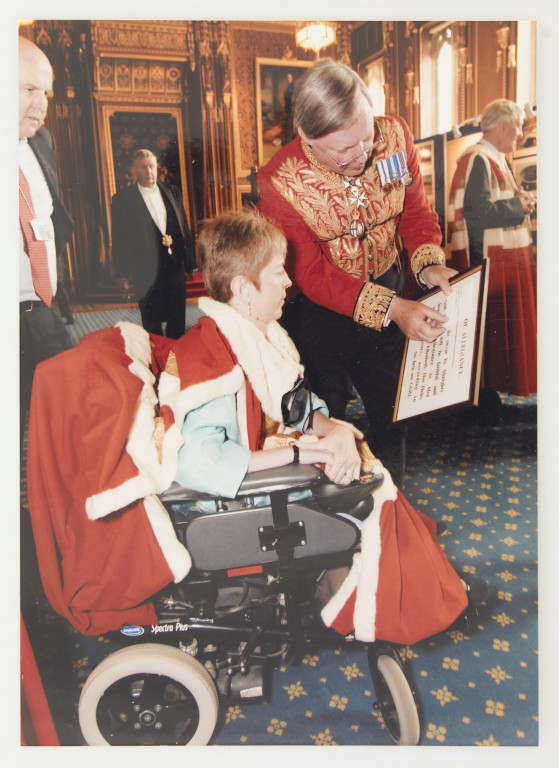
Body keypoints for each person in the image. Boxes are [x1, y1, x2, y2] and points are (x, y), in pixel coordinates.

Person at [166, 210, 484, 645]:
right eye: (277, 273)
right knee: (373, 487)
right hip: (228, 499)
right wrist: (301, 453)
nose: (288, 283)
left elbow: (293, 405)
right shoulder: (214, 362)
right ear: (244, 289)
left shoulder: (247, 332)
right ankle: (383, 607)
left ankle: (365, 588)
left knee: (361, 454)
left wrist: (331, 428)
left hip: (255, 473)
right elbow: (198, 463)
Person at [257, 59, 457, 482]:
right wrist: (395, 309)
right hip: (320, 317)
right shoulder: (279, 182)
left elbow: (415, 212)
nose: (362, 154)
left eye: (365, 138)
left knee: (393, 414)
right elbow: (312, 274)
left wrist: (429, 263)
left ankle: (392, 507)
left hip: (391, 288)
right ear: (307, 137)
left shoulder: (393, 136)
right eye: (344, 149)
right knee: (327, 421)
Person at [447, 99, 537, 399]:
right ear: (503, 126)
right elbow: (478, 214)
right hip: (488, 262)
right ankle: (483, 395)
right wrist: (518, 206)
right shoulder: (478, 158)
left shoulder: (492, 157)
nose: (521, 132)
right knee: (489, 332)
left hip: (500, 260)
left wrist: (518, 203)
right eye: (518, 126)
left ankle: (489, 392)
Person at [19, 36, 74, 435]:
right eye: (28, 89)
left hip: (42, 311)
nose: (41, 103)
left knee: (63, 419)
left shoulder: (41, 140)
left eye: (46, 92)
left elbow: (51, 219)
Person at [111, 149, 197, 338]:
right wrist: (121, 273)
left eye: (152, 166)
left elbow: (183, 225)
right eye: (143, 167)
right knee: (152, 322)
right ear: (134, 170)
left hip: (174, 265)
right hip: (146, 270)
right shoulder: (122, 199)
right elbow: (119, 238)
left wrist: (189, 262)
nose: (149, 171)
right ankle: (158, 360)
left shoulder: (172, 191)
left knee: (177, 319)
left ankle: (176, 362)